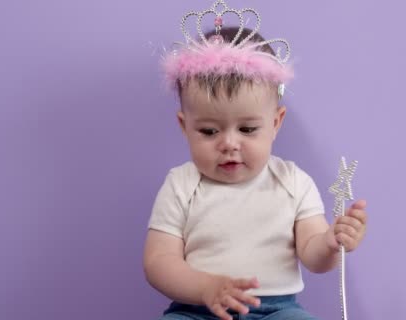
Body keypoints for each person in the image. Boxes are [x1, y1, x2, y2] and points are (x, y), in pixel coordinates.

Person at [144, 1, 368, 319]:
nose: (229, 144)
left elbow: (313, 255)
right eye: (209, 131)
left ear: (275, 123)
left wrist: (331, 243)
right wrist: (204, 287)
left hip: (275, 310)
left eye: (248, 129)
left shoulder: (292, 182)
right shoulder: (181, 184)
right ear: (185, 126)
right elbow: (158, 263)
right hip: (199, 308)